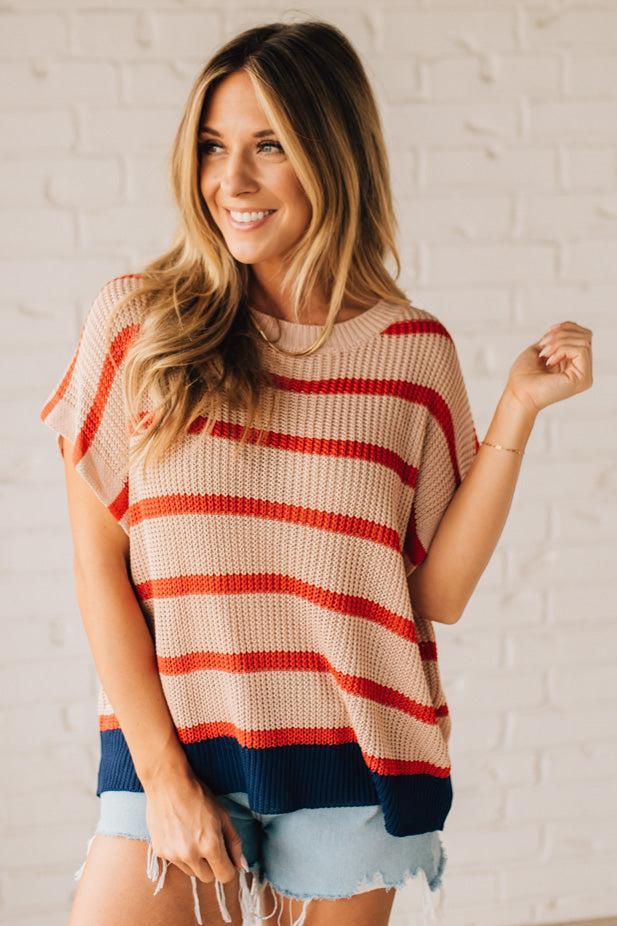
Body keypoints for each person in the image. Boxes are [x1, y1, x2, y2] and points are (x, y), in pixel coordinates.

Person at [38, 18, 593, 926]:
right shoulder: (138, 325)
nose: (232, 182)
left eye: (270, 147)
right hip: (172, 748)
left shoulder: (411, 353)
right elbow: (99, 564)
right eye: (214, 147)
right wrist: (163, 778)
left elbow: (435, 594)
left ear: (333, 157)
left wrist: (515, 413)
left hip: (351, 759)